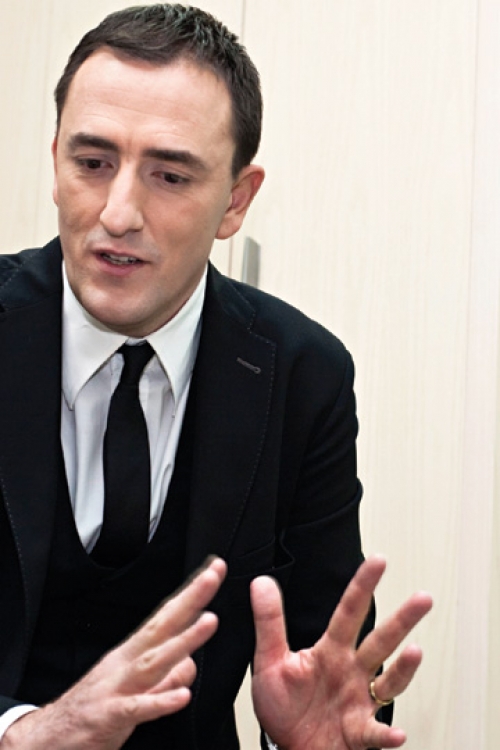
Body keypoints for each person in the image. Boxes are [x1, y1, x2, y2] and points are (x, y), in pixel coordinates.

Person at [0, 4, 432, 749]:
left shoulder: (304, 375)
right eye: (92, 162)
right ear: (56, 163)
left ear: (236, 200)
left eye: (170, 175)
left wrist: (303, 738)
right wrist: (21, 734)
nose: (118, 213)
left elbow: (326, 667)